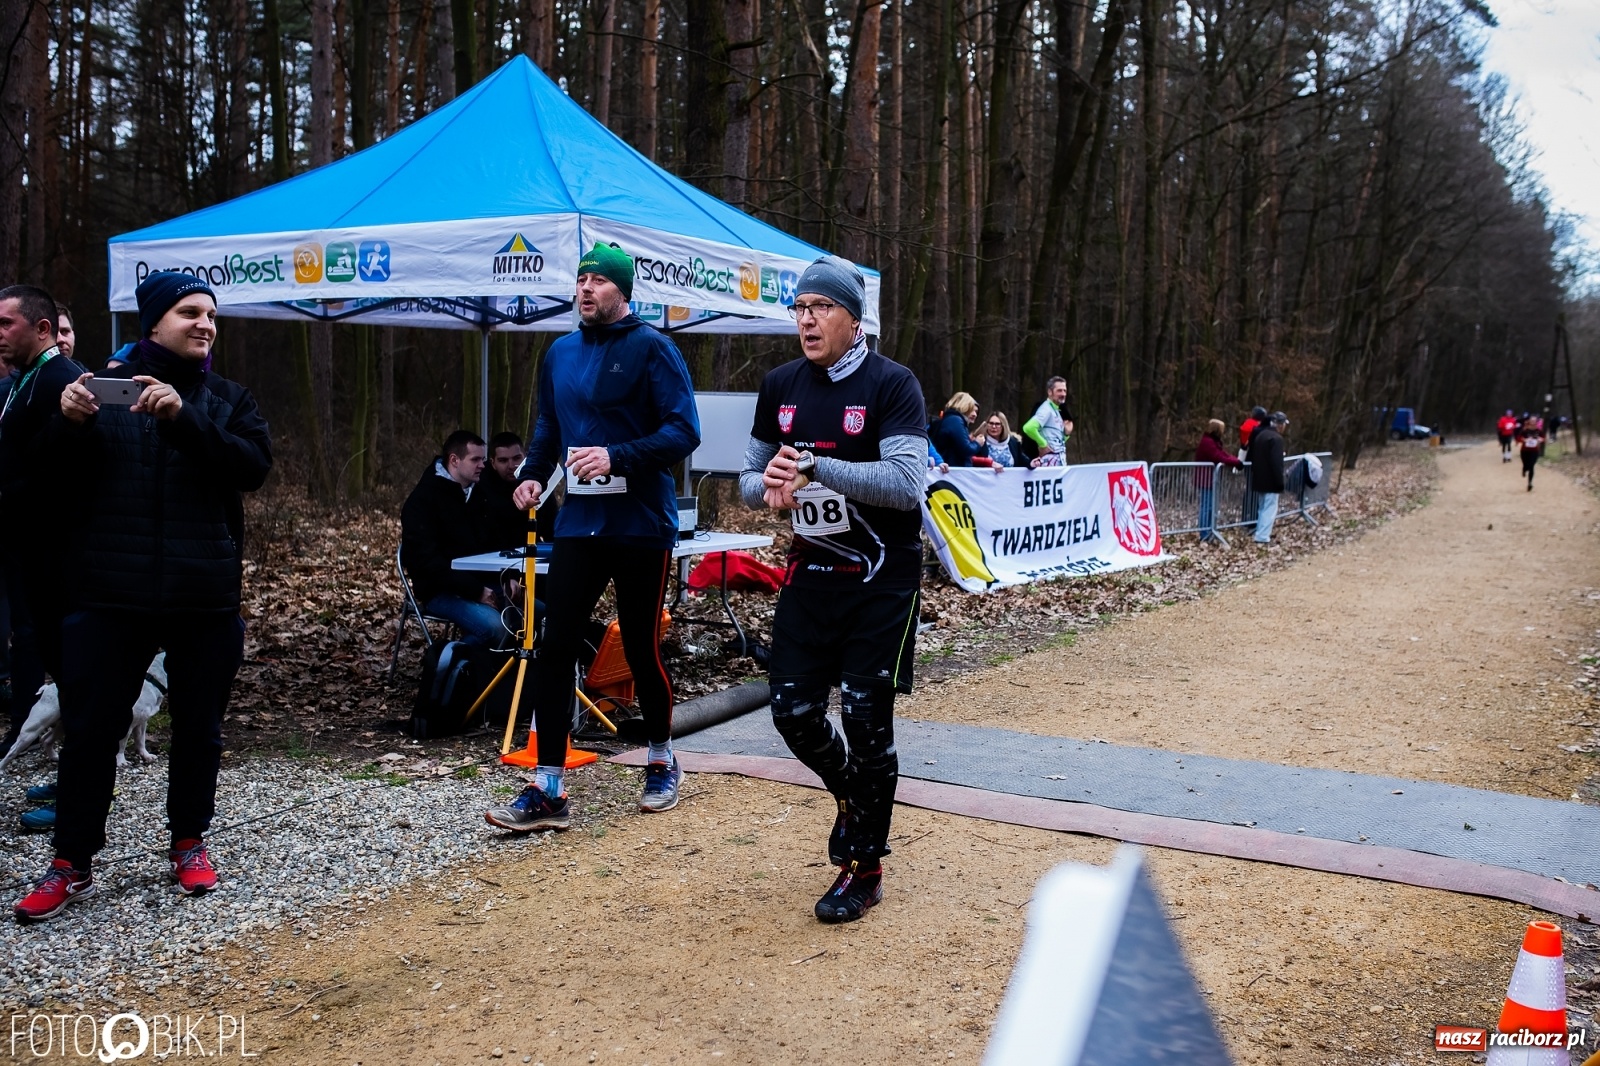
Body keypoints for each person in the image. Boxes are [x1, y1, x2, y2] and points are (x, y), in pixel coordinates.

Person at [13, 271, 272, 922]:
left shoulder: (228, 400)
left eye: (212, 314)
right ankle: (71, 862)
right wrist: (68, 424)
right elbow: (40, 482)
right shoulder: (98, 398)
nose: (205, 324)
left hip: (202, 595)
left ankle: (189, 841)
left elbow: (252, 469)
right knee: (90, 734)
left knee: (199, 733)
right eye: (190, 313)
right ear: (153, 324)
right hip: (110, 595)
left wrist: (184, 419)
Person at [484, 241, 699, 832]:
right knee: (554, 649)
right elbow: (549, 427)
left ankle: (660, 759)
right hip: (579, 524)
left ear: (621, 290)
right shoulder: (559, 353)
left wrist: (618, 457)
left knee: (638, 645)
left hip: (640, 525)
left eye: (597, 280)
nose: (584, 288)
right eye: (579, 278)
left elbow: (684, 432)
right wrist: (530, 477)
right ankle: (548, 786)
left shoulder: (654, 348)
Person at [740, 254, 927, 923]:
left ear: (854, 318)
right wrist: (772, 486)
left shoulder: (893, 385)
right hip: (811, 575)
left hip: (882, 580)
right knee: (791, 712)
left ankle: (864, 867)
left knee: (867, 723)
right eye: (799, 309)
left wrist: (821, 465)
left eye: (821, 308)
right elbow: (748, 478)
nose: (807, 320)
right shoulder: (781, 384)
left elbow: (908, 485)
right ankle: (852, 797)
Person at [0, 285, 85, 757]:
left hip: (57, 558)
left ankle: (74, 786)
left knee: (69, 670)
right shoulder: (24, 377)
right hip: (26, 551)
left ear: (42, 328)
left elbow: (69, 469)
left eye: (5, 323)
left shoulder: (62, 380)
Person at [400, 430, 508, 646]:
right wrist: (477, 591)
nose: (483, 465)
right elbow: (427, 563)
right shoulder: (422, 502)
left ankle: (509, 676)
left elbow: (497, 543)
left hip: (483, 584)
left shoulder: (479, 494)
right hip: (439, 591)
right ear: (454, 460)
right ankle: (452, 665)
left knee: (539, 616)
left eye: (483, 459)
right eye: (475, 459)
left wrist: (509, 577)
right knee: (496, 628)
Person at [476, 430, 533, 550]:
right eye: (503, 460)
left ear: (525, 456)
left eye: (517, 458)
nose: (511, 466)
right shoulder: (479, 484)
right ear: (493, 463)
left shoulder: (537, 478)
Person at [1194, 419, 1244, 543]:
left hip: (1209, 478)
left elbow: (1223, 454)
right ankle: (1204, 534)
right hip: (1205, 478)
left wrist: (1236, 461)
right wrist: (1236, 462)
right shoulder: (1208, 443)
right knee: (1206, 506)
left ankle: (1208, 531)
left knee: (1210, 506)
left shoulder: (1212, 442)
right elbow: (1218, 456)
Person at [1246, 411, 1287, 544]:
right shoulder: (1276, 439)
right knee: (1269, 509)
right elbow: (1276, 463)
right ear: (1280, 425)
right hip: (1270, 480)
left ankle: (1260, 532)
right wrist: (1280, 481)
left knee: (1262, 507)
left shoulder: (1261, 435)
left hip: (1259, 478)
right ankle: (1262, 536)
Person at [1022, 376, 1073, 466]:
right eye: (1059, 390)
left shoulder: (1056, 409)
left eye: (1065, 390)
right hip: (1050, 460)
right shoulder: (1046, 409)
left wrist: (1066, 434)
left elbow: (1056, 439)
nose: (1063, 394)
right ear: (1050, 392)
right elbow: (1028, 428)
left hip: (1059, 459)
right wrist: (1043, 444)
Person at [929, 392, 984, 468]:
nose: (975, 414)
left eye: (976, 411)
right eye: (972, 410)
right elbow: (966, 450)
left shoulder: (952, 419)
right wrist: (977, 443)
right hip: (952, 470)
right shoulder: (955, 420)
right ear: (963, 406)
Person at [1520, 420, 1544, 490]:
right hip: (1524, 451)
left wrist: (1540, 439)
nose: (1533, 426)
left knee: (1531, 466)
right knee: (1526, 465)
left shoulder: (1539, 431)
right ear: (1528, 425)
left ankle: (1530, 483)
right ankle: (1524, 469)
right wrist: (1525, 440)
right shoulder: (1525, 431)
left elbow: (1543, 438)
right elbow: (1519, 438)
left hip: (1534, 451)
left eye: (1534, 424)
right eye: (1531, 424)